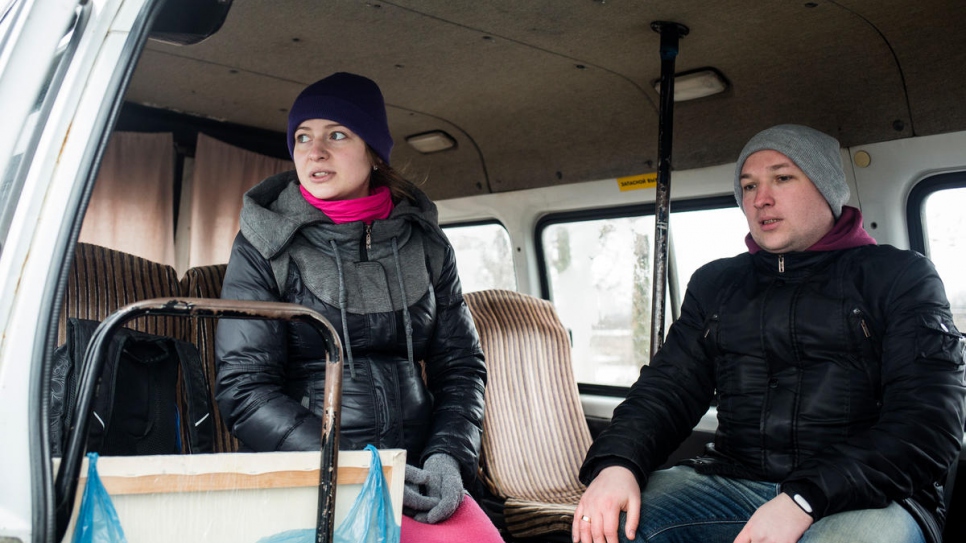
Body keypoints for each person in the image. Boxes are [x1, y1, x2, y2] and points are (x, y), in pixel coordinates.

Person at [572, 124, 966, 543]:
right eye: (748, 185)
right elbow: (667, 389)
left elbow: (929, 425)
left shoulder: (899, 277)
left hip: (871, 496)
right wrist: (618, 464)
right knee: (607, 526)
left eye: (782, 178)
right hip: (730, 481)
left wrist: (804, 498)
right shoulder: (716, 284)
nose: (761, 199)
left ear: (827, 188)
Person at [215, 72, 502, 542]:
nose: (315, 151)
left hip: (419, 474)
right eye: (303, 137)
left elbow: (462, 366)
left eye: (338, 134)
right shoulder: (263, 245)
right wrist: (353, 467)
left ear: (374, 151)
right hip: (310, 472)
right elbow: (245, 390)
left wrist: (448, 457)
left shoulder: (427, 244)